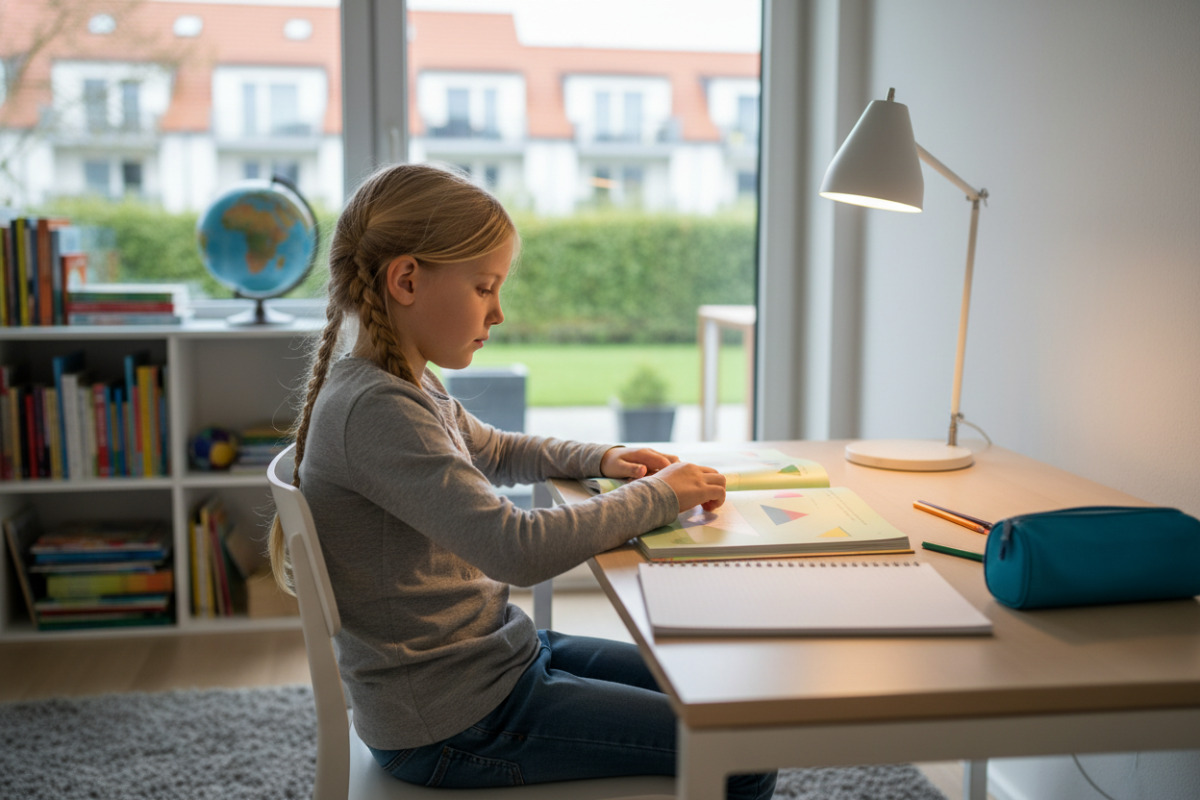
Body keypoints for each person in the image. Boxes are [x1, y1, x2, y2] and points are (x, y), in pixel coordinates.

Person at [268, 162, 776, 800]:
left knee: (719, 690)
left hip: (490, 665)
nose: (499, 311)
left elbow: (496, 448)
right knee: (743, 750)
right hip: (458, 723)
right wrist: (658, 496)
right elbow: (517, 548)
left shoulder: (402, 383)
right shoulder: (379, 409)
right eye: (485, 287)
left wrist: (600, 458)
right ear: (405, 280)